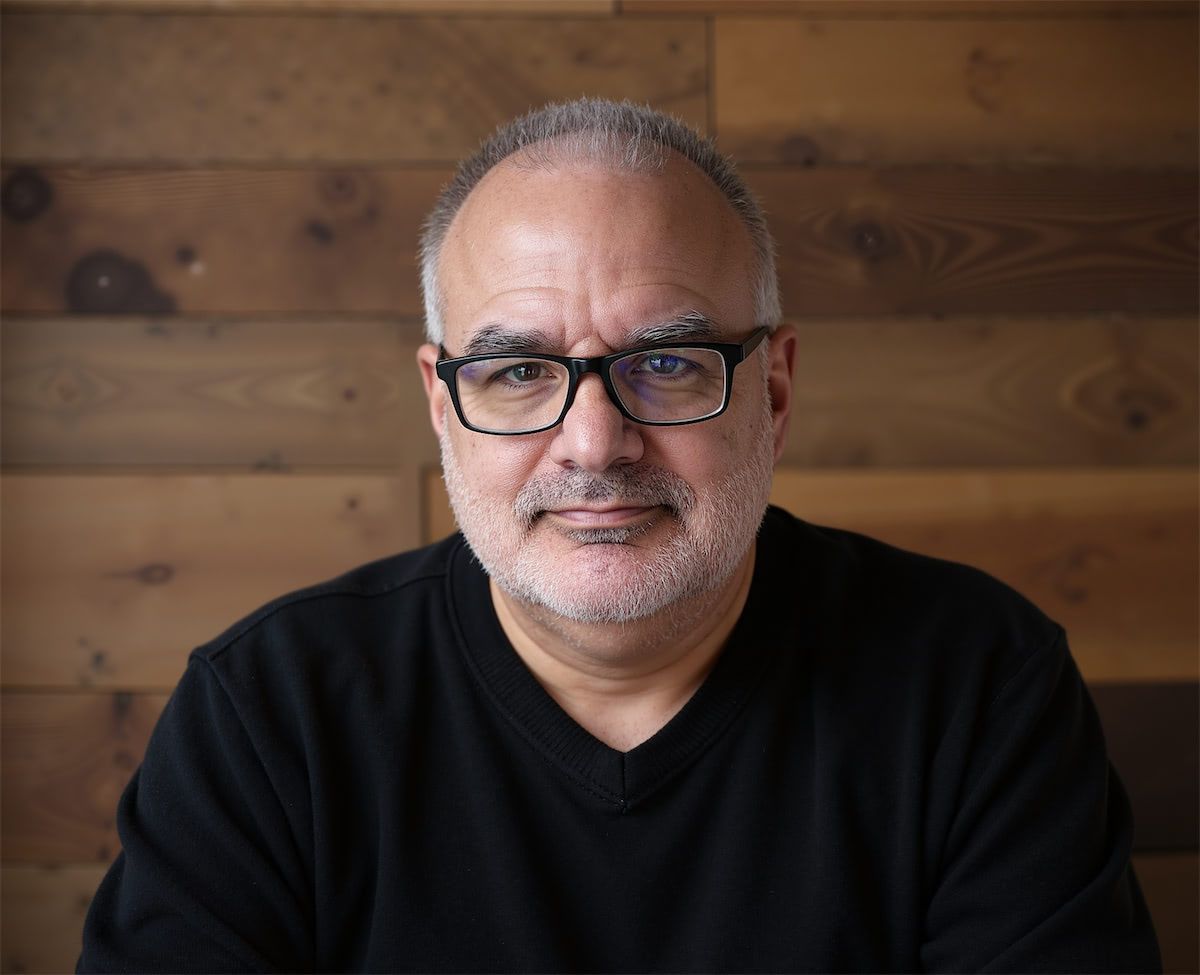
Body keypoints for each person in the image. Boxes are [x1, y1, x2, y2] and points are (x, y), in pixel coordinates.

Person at [79, 98, 1160, 973]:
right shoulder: (270, 714)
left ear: (772, 393)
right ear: (442, 402)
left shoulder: (976, 682)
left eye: (668, 363)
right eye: (515, 372)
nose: (594, 444)